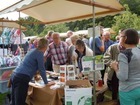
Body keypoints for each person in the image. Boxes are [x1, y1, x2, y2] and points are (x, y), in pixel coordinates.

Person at [10, 37, 50, 105]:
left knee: (14, 100)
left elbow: (31, 65)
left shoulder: (33, 50)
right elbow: (42, 69)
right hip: (22, 77)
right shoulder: (39, 53)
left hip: (15, 74)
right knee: (19, 102)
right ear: (46, 46)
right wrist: (46, 82)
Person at [111, 29, 140, 105]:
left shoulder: (124, 54)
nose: (119, 38)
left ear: (125, 38)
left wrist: (115, 68)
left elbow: (123, 77)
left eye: (121, 36)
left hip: (128, 90)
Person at [104, 30, 125, 100]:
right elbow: (106, 59)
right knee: (114, 91)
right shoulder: (113, 47)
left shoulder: (130, 48)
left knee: (124, 91)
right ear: (119, 37)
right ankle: (115, 101)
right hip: (114, 74)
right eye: (122, 37)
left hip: (125, 74)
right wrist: (113, 64)